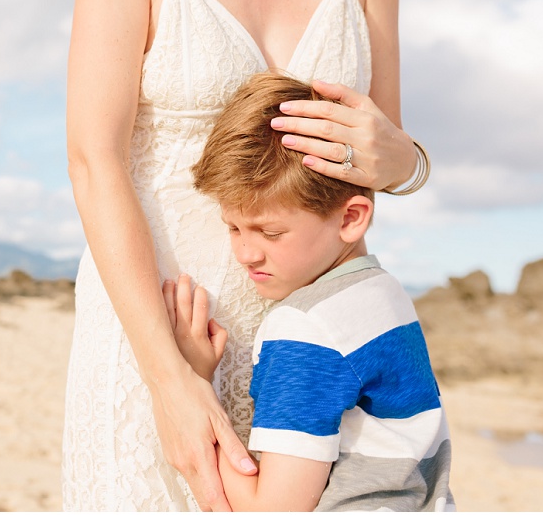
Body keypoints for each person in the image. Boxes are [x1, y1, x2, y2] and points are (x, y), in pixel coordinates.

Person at [64, 0, 426, 512]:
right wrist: (170, 378)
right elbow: (92, 159)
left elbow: (374, 164)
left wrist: (408, 164)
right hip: (159, 324)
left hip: (310, 331)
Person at [166, 69, 450, 512]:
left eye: (270, 233)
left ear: (351, 218)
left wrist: (197, 383)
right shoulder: (386, 293)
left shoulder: (303, 328)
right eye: (233, 228)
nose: (245, 253)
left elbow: (273, 510)